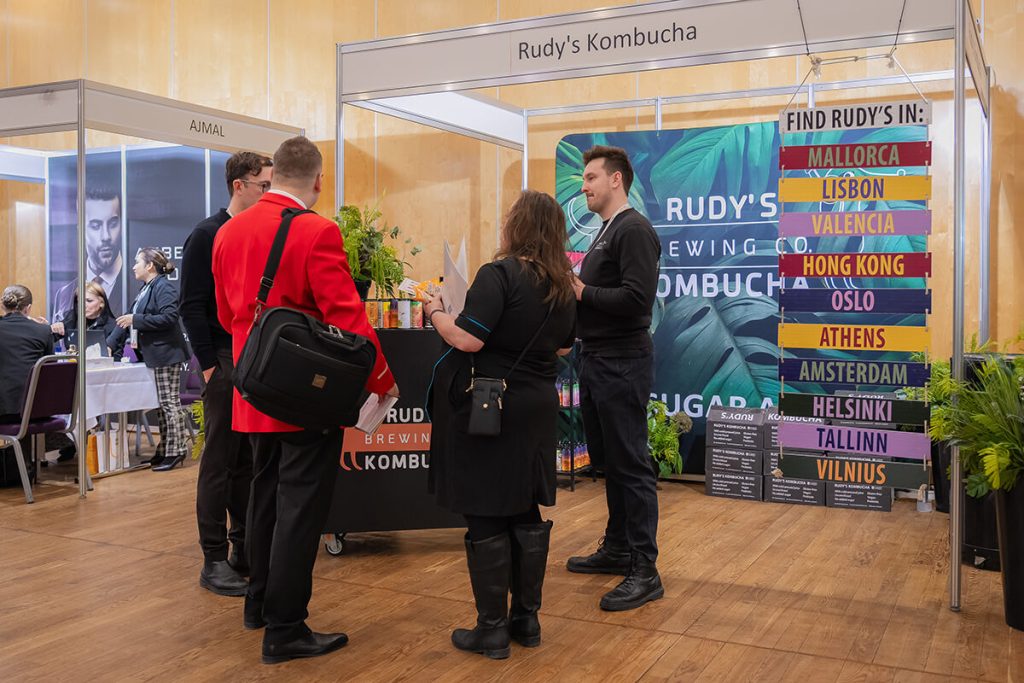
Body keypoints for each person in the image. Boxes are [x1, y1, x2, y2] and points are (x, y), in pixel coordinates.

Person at [212, 135, 397, 665]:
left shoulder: (229, 230)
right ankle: (286, 628)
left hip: (254, 387)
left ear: (274, 176)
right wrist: (383, 379)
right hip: (304, 395)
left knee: (264, 496)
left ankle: (259, 604)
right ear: (318, 179)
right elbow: (347, 317)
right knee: (300, 508)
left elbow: (226, 314)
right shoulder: (317, 230)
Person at [424, 190, 577, 660]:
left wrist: (436, 312)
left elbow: (468, 340)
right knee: (523, 504)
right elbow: (565, 347)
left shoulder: (499, 275)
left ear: (517, 226)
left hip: (492, 405)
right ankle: (526, 621)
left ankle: (491, 629)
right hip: (538, 405)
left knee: (485, 506)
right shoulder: (564, 285)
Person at [566, 145, 664, 612]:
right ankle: (619, 547)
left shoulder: (634, 229)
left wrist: (582, 291)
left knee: (632, 465)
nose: (584, 186)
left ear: (615, 180)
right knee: (611, 461)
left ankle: (645, 570)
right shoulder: (607, 230)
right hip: (597, 360)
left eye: (591, 178)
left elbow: (637, 301)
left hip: (622, 362)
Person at [180, 151, 272, 598]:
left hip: (250, 356)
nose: (269, 193)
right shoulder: (206, 233)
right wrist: (211, 365)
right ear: (239, 185)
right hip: (223, 356)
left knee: (246, 460)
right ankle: (213, 558)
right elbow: (191, 306)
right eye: (263, 186)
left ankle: (243, 548)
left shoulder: (257, 232)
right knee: (219, 460)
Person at [111, 248, 191, 472]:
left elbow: (169, 317)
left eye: (137, 262)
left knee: (169, 404)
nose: (133, 266)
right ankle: (165, 449)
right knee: (161, 405)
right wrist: (110, 343)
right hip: (155, 356)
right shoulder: (147, 288)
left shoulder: (163, 287)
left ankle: (176, 450)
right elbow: (127, 320)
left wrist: (136, 319)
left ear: (150, 266)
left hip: (166, 354)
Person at [0, 285, 54, 486]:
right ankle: (23, 468)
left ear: (2, 305)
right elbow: (51, 368)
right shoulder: (43, 331)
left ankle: (18, 468)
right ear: (28, 308)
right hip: (36, 410)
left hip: (5, 410)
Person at [52, 188, 124, 320]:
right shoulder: (64, 295)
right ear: (80, 230)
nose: (106, 236)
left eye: (113, 224)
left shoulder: (140, 289)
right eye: (96, 226)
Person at [51, 281, 122, 361]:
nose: (83, 305)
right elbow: (52, 337)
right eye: (80, 301)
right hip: (74, 366)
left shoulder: (113, 326)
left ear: (101, 303)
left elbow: (117, 360)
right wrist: (51, 328)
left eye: (89, 301)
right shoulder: (72, 318)